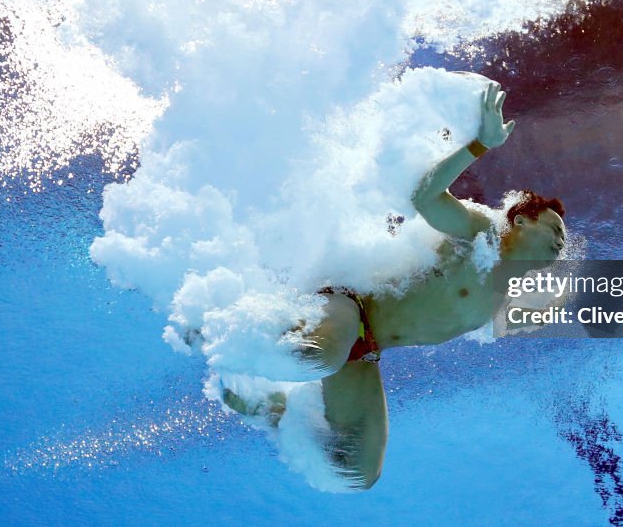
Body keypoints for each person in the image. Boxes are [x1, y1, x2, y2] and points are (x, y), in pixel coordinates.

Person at [223, 80, 566, 490]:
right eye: (555, 230)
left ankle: (272, 409)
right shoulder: (481, 233)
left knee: (357, 473)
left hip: (364, 350)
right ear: (521, 219)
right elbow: (426, 197)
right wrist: (480, 145)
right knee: (314, 357)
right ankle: (228, 326)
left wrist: (556, 310)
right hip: (349, 305)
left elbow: (524, 319)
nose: (562, 242)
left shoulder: (501, 300)